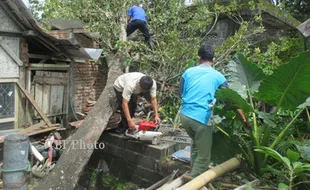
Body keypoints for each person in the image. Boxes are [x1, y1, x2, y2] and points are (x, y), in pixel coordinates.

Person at [179, 44, 249, 178]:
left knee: (196, 144)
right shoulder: (219, 77)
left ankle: (193, 168)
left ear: (198, 57)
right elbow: (230, 100)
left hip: (185, 115)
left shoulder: (188, 72)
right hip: (201, 118)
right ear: (214, 59)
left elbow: (181, 93)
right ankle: (193, 180)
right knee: (204, 156)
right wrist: (243, 118)